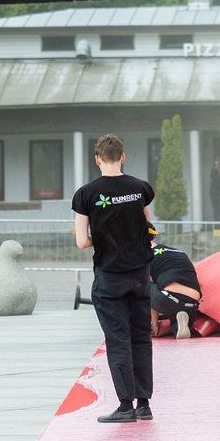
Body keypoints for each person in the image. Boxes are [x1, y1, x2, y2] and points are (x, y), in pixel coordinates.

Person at [72, 134, 156, 424]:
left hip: (110, 277)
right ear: (123, 156)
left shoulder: (86, 194)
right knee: (141, 338)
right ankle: (144, 404)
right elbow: (149, 228)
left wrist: (106, 236)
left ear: (97, 158)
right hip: (139, 275)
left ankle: (125, 405)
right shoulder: (141, 189)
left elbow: (82, 242)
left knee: (118, 339)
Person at [148, 240, 203, 339]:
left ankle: (176, 319)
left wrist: (154, 324)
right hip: (193, 304)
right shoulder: (178, 252)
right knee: (175, 320)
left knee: (145, 284)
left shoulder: (145, 257)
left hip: (169, 299)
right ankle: (178, 325)